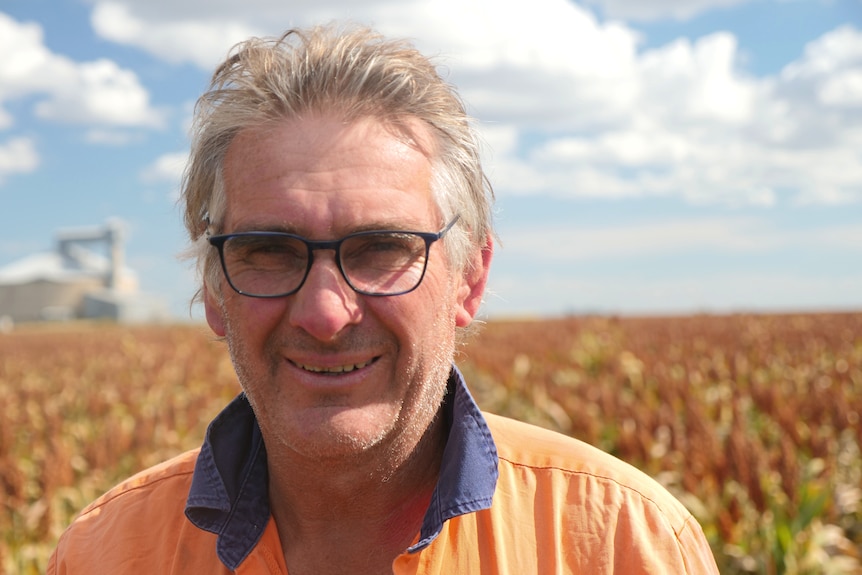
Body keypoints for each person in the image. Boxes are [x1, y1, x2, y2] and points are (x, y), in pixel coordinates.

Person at [48, 24, 719, 575]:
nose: (324, 313)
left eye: (380, 248)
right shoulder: (105, 554)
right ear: (213, 290)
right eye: (270, 251)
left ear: (470, 278)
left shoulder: (619, 543)